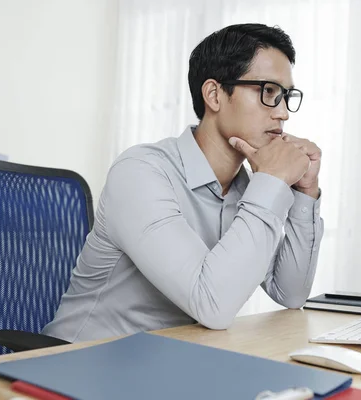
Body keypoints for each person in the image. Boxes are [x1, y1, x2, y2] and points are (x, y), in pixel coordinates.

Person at [43, 23, 324, 342]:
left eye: (286, 96)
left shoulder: (247, 188)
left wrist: (304, 193)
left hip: (172, 366)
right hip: (80, 367)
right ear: (215, 95)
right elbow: (212, 305)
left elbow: (290, 293)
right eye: (268, 92)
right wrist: (272, 181)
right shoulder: (140, 173)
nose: (284, 113)